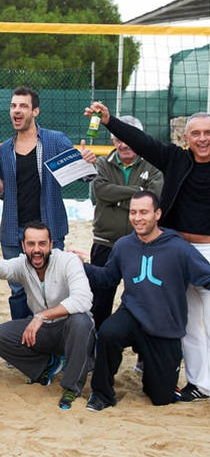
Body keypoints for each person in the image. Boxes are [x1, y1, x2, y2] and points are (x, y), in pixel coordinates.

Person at [86, 102, 210, 402]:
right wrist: (109, 121)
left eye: (208, 133)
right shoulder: (176, 159)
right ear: (187, 138)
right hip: (178, 249)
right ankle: (199, 384)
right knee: (190, 322)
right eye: (196, 133)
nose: (203, 138)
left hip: (207, 249)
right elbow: (142, 141)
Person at [80, 192, 210, 411]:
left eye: (143, 212)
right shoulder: (123, 245)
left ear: (157, 214)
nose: (137, 218)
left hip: (165, 325)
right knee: (109, 332)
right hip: (132, 313)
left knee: (161, 397)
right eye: (133, 212)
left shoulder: (179, 248)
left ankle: (154, 378)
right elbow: (107, 278)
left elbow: (206, 276)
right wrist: (81, 265)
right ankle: (102, 394)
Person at [0, 87, 95, 320]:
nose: (16, 110)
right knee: (18, 292)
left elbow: (83, 175)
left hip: (49, 228)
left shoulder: (55, 140)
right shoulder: (3, 149)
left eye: (23, 106)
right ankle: (22, 349)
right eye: (13, 106)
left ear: (35, 111)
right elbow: (4, 193)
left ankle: (55, 347)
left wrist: (87, 162)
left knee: (55, 289)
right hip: (14, 231)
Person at [0, 221, 95, 410]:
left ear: (51, 244)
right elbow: (2, 268)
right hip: (46, 332)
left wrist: (40, 316)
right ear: (23, 246)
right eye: (31, 244)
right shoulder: (23, 263)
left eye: (42, 243)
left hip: (71, 330)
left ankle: (71, 389)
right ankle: (47, 366)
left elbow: (83, 300)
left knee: (81, 321)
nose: (37, 249)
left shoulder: (68, 261)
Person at [89, 115, 163, 329]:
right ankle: (96, 350)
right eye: (118, 139)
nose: (123, 144)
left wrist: (118, 198)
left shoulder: (155, 165)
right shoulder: (102, 162)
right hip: (105, 242)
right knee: (99, 302)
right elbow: (101, 193)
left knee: (144, 301)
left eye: (128, 138)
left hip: (142, 244)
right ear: (113, 141)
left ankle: (143, 355)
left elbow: (155, 197)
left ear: (140, 139)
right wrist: (140, 193)